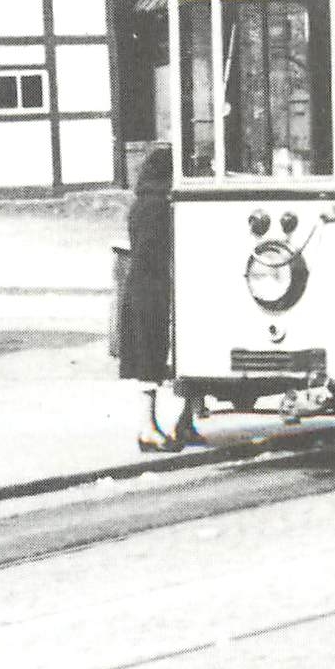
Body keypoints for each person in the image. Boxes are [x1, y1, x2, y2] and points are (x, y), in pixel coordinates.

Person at [122, 147, 203, 451]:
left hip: (144, 287)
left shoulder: (143, 204)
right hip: (153, 289)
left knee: (156, 358)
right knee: (153, 359)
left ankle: (178, 422)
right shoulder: (158, 207)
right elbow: (154, 253)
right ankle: (151, 427)